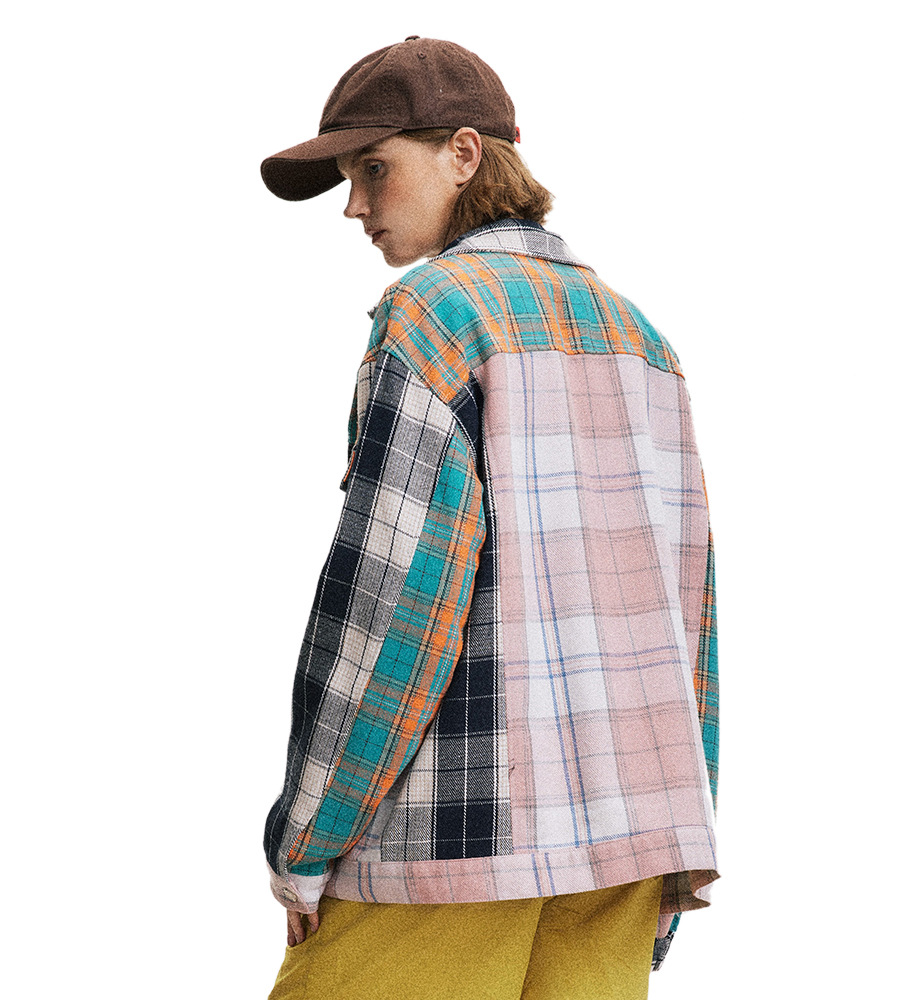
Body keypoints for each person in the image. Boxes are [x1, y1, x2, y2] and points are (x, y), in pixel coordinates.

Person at [259, 36, 720, 1000]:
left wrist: (306, 838)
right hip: (626, 845)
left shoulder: (434, 316)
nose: (354, 206)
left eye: (373, 169)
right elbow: (690, 624)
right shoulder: (642, 339)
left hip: (453, 843)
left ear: (464, 154)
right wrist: (677, 853)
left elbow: (392, 608)